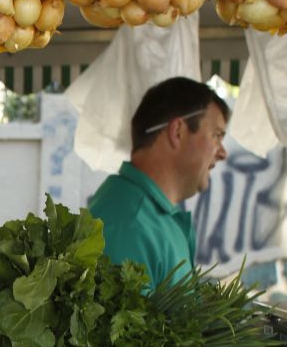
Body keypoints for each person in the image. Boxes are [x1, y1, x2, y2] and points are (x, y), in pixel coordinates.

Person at [89, 77, 229, 290]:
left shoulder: (157, 217)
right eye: (216, 135)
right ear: (178, 131)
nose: (222, 152)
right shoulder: (129, 225)